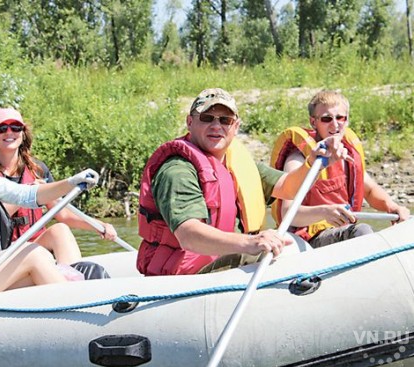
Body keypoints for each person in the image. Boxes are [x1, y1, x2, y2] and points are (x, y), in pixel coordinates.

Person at [136, 88, 351, 276]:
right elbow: (188, 235)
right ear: (190, 122)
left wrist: (315, 163)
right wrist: (251, 243)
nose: (216, 126)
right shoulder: (177, 170)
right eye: (207, 118)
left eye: (225, 120)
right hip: (191, 272)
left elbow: (287, 187)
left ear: (236, 127)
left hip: (224, 258)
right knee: (289, 254)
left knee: (294, 244)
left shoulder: (236, 162)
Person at [270, 90, 410, 248]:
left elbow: (370, 191)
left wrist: (393, 207)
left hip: (341, 231)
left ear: (347, 120)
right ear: (313, 122)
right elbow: (288, 213)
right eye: (326, 119)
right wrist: (324, 212)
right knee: (362, 231)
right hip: (308, 237)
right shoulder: (297, 159)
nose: (335, 124)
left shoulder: (347, 154)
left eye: (340, 118)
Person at [0, 107, 117, 266]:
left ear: (22, 133)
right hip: (1, 252)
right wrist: (29, 193)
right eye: (2, 128)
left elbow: (63, 213)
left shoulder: (38, 170)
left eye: (15, 127)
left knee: (60, 230)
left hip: (36, 246)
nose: (9, 132)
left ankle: (74, 283)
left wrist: (97, 225)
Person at [0, 118, 100, 294]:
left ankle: (83, 294)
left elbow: (28, 195)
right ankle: (81, 304)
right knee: (33, 254)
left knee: (43, 259)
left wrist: (71, 182)